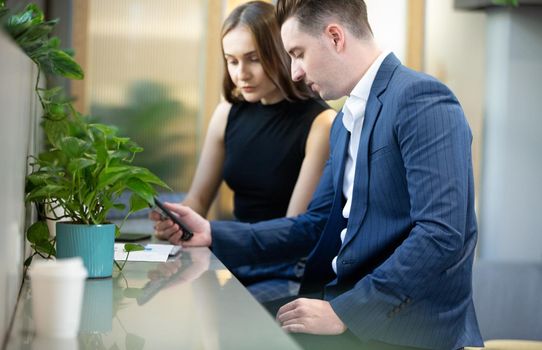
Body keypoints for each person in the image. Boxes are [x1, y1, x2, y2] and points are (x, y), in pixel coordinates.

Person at [156, 0, 484, 349]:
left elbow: (440, 236)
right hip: (346, 308)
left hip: (406, 330)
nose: (294, 71)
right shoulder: (344, 123)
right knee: (233, 328)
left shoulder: (421, 99)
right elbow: (313, 226)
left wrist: (345, 312)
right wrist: (212, 234)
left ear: (334, 37)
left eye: (298, 53)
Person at [152, 1, 335, 302]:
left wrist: (214, 236)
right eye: (232, 61)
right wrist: (177, 223)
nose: (241, 74)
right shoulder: (227, 113)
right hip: (232, 261)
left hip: (284, 272)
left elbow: (292, 234)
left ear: (281, 53)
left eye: (254, 59)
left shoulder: (320, 123)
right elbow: (198, 199)